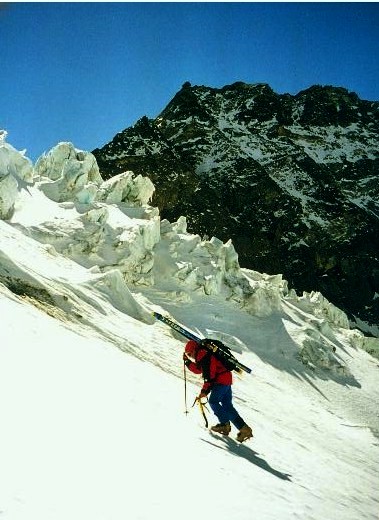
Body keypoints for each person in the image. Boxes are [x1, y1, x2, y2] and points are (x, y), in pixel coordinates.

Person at [183, 338, 253, 442]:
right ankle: (244, 429)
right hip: (226, 379)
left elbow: (209, 376)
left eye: (189, 354)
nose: (190, 357)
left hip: (221, 381)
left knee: (213, 401)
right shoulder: (202, 355)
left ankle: (224, 425)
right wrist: (187, 362)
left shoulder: (204, 355)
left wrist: (204, 391)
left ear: (193, 350)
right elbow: (199, 369)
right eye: (188, 355)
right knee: (227, 406)